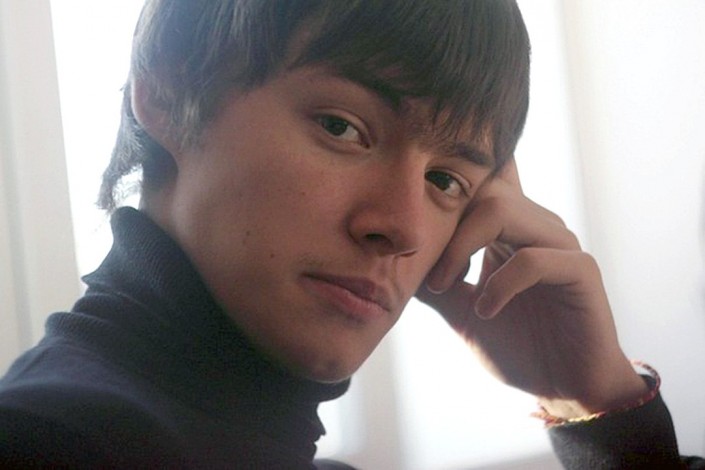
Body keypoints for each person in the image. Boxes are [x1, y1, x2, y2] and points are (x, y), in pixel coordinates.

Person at [0, 1, 700, 468]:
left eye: (445, 180)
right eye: (342, 127)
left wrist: (598, 404)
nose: (401, 228)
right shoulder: (50, 442)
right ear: (163, 90)